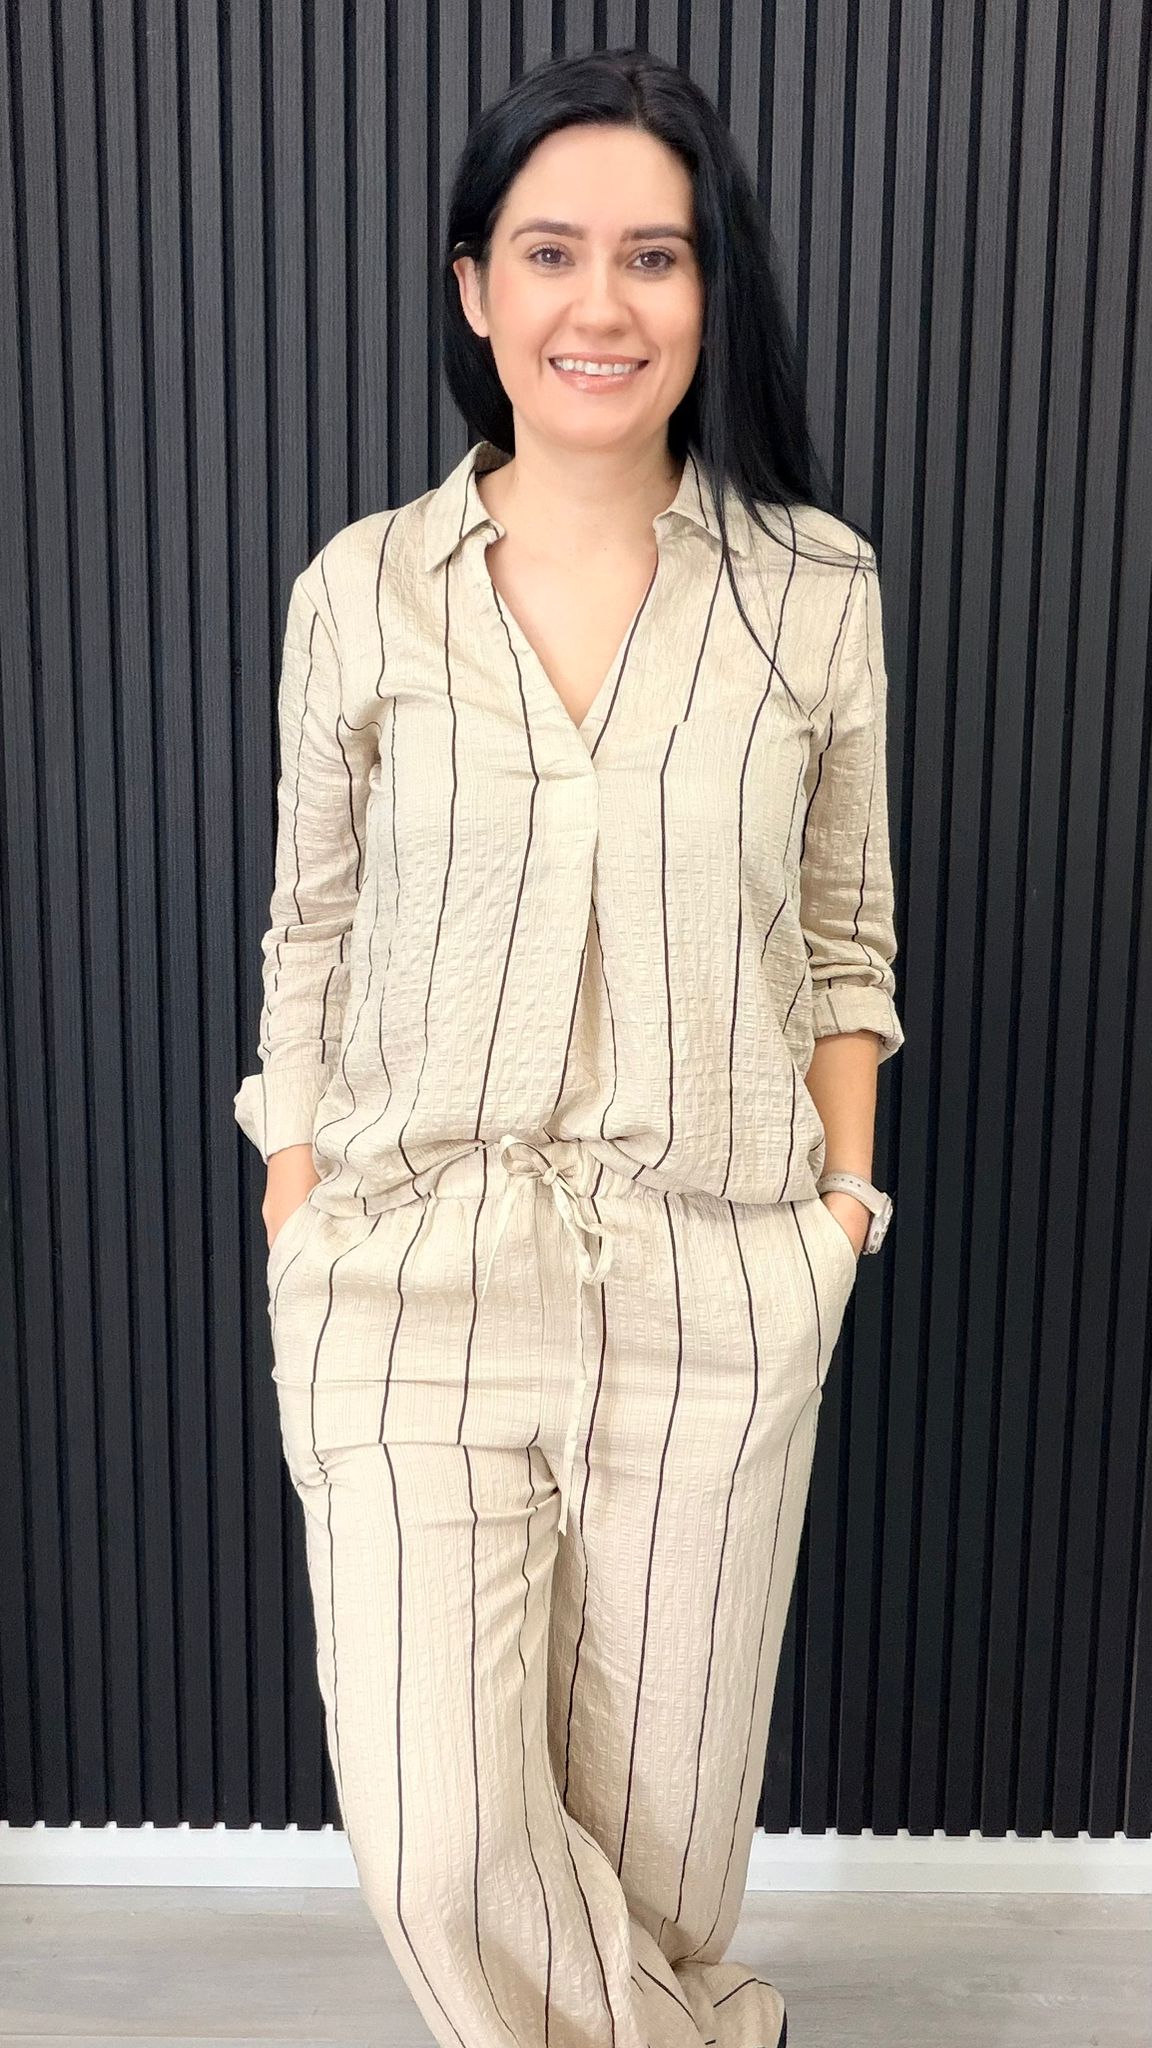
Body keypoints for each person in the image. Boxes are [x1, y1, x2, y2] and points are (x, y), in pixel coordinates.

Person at [234, 45, 904, 2048]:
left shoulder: (814, 593)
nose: (600, 304)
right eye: (549, 252)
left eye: (654, 256)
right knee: (450, 1848)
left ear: (710, 291)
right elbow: (310, 928)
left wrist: (839, 1214)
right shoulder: (362, 593)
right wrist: (296, 1194)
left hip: (720, 1278)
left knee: (662, 1858)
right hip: (408, 1274)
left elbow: (847, 936)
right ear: (473, 287)